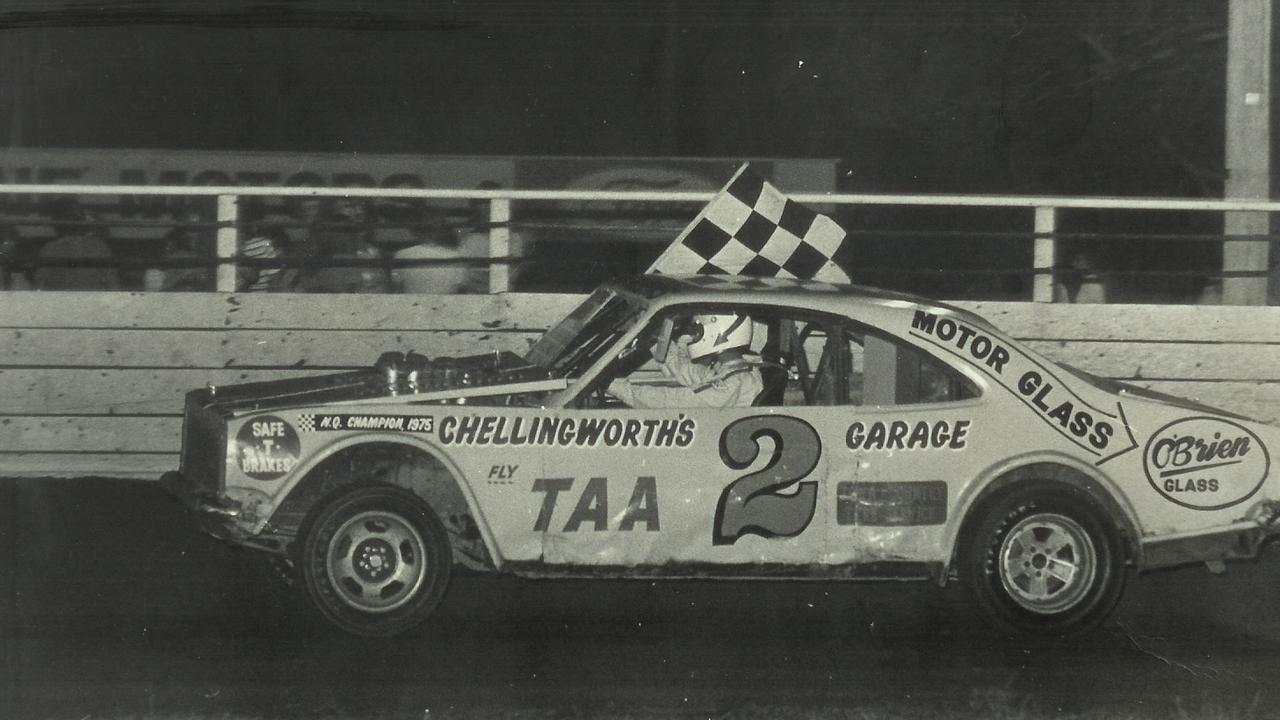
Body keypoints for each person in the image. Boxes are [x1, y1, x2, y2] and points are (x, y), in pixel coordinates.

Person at [607, 312, 764, 409]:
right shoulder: (737, 369)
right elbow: (686, 371)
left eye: (696, 331)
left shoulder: (733, 382)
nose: (693, 337)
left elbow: (672, 402)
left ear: (716, 333)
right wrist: (656, 341)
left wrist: (617, 388)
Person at [32, 199, 119, 291]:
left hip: (66, 300)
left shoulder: (51, 248)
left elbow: (40, 284)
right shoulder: (100, 246)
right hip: (88, 300)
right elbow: (112, 283)